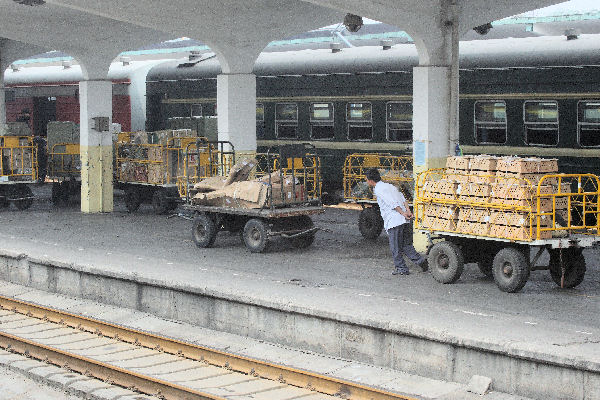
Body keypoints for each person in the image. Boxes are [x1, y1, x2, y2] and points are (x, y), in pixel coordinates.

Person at [366, 168, 428, 275]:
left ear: (371, 180)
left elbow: (392, 203)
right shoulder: (390, 186)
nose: (367, 181)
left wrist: (402, 213)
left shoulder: (378, 189)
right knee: (406, 244)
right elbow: (403, 199)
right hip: (404, 220)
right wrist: (407, 211)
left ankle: (401, 268)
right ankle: (421, 261)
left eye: (367, 179)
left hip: (394, 221)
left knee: (395, 247)